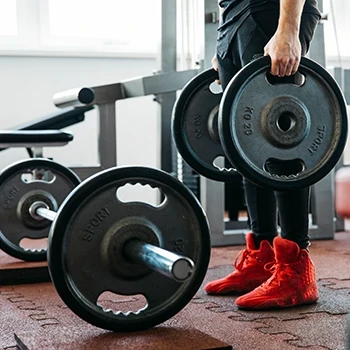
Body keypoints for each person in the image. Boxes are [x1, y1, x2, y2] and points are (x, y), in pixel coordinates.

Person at [204, 0, 322, 309]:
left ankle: (296, 268)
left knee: (281, 133)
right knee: (247, 141)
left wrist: (288, 28)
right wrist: (225, 40)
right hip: (236, 17)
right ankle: (263, 255)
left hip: (272, 10)